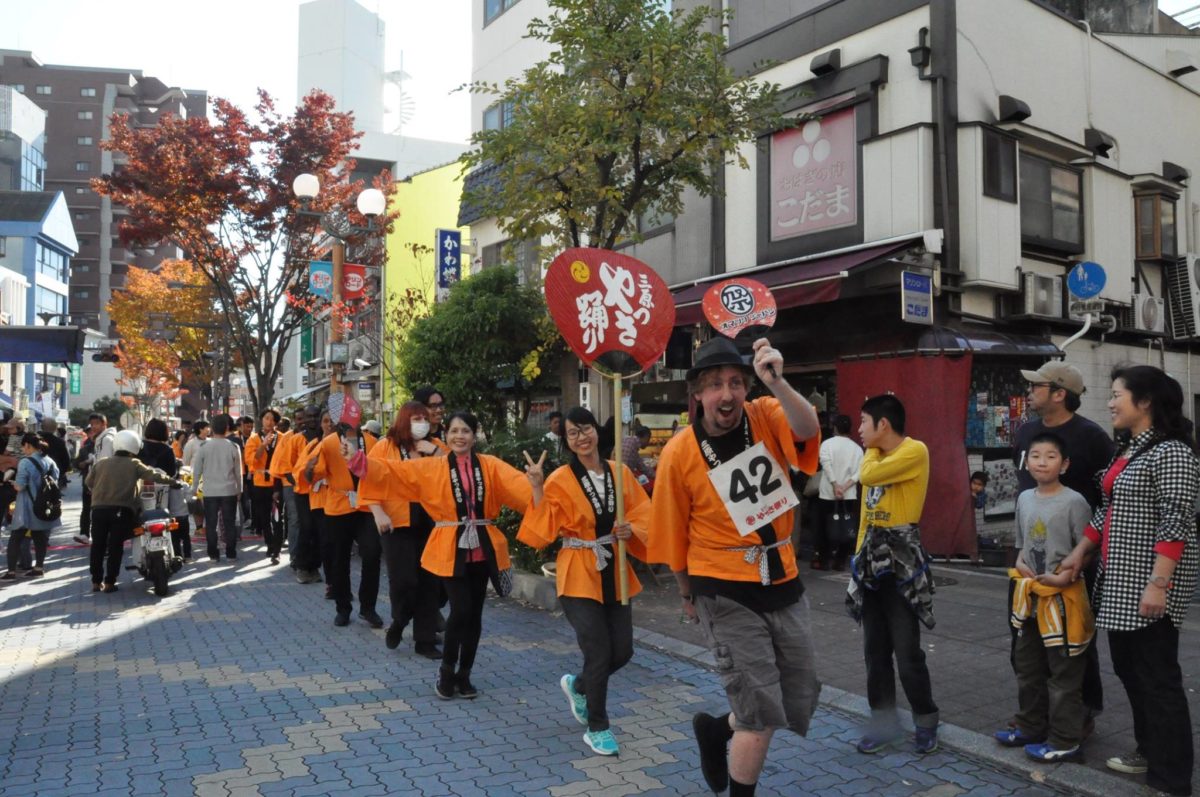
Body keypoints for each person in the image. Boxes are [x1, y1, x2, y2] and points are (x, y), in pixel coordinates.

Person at [648, 337, 821, 797]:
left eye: (734, 383)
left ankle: (715, 731)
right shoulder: (679, 453)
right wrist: (687, 594)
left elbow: (806, 428)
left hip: (781, 573)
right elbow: (672, 535)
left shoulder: (765, 414)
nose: (726, 394)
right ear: (697, 395)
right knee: (760, 711)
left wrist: (777, 381)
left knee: (793, 693)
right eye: (714, 385)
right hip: (722, 586)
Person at [1059, 365, 1198, 797]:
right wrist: (1079, 554)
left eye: (1118, 394)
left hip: (1148, 584)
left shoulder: (1172, 452)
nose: (1111, 401)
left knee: (1158, 679)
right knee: (1130, 671)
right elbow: (1106, 510)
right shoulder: (1131, 450)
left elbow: (1176, 521)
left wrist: (1159, 585)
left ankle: (1171, 779)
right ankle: (1148, 749)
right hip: (1118, 582)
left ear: (1146, 402)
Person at [359, 410, 532, 701]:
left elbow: (521, 490)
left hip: (482, 547)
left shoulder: (491, 466)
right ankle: (447, 670)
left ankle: (465, 675)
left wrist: (537, 485)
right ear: (447, 435)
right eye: (454, 431)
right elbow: (395, 472)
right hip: (450, 547)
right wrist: (358, 461)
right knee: (461, 609)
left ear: (474, 435)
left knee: (474, 615)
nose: (459, 436)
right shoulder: (433, 467)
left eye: (465, 431)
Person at [518, 406, 651, 756]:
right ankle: (598, 726)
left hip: (615, 570)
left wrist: (631, 529)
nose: (581, 437)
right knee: (598, 650)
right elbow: (543, 525)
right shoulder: (561, 478)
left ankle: (578, 686)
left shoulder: (620, 473)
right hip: (578, 569)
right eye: (573, 433)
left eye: (586, 428)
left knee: (622, 651)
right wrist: (536, 486)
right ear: (567, 441)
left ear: (596, 430)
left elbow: (643, 513)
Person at [1012, 362, 1113, 732]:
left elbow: (1108, 500)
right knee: (1027, 641)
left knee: (1073, 644)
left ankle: (1080, 714)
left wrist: (1085, 554)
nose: (1029, 390)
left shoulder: (1092, 437)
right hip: (1029, 559)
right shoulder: (1025, 433)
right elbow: (1025, 493)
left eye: (1036, 385)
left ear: (1059, 393)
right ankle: (1034, 717)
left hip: (1074, 561)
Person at [846, 394, 939, 755]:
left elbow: (867, 474)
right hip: (871, 564)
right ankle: (884, 725)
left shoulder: (914, 451)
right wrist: (856, 561)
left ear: (883, 425)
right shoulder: (878, 455)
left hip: (901, 564)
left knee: (907, 651)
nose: (859, 431)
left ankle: (926, 721)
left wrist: (871, 452)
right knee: (875, 651)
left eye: (863, 423)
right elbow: (867, 517)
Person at [995, 432, 1093, 762]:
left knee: (1064, 675)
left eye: (1051, 456)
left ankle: (1066, 738)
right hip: (1030, 599)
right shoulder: (1024, 498)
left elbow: (1088, 549)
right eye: (1035, 455)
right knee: (1028, 667)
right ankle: (1029, 725)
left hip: (1063, 602)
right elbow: (1022, 547)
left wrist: (1065, 576)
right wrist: (1021, 564)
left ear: (1064, 464)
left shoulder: (1075, 502)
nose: (1041, 461)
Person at [365, 400, 445, 658]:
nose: (422, 423)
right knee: (404, 581)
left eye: (424, 418)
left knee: (430, 583)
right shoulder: (384, 447)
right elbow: (368, 479)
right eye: (416, 419)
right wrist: (377, 511)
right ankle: (399, 621)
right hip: (395, 523)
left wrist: (433, 451)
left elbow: (454, 469)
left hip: (431, 523)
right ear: (403, 421)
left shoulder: (434, 447)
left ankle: (425, 639)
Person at [310, 413, 382, 628]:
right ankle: (343, 607)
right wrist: (310, 468)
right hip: (338, 505)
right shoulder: (329, 442)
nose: (351, 420)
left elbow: (380, 470)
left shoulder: (371, 441)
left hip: (366, 504)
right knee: (339, 558)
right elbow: (313, 473)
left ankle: (368, 607)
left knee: (372, 553)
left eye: (354, 416)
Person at [85, 430, 176, 592]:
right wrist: (173, 481)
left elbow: (88, 482)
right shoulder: (134, 463)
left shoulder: (101, 462)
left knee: (98, 545)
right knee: (115, 546)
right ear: (135, 447)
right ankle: (110, 582)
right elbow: (154, 475)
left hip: (98, 509)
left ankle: (95, 582)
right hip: (122, 510)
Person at [1, 434, 61, 580]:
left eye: (23, 446)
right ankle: (39, 567)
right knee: (40, 537)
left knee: (15, 538)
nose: (22, 449)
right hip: (44, 506)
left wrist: (13, 483)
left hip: (27, 507)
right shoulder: (50, 461)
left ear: (28, 445)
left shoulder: (25, 462)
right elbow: (55, 481)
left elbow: (20, 486)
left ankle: (11, 572)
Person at [814, 414, 863, 571]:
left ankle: (823, 559)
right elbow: (860, 472)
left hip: (828, 493)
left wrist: (835, 485)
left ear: (835, 427)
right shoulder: (857, 449)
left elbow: (825, 464)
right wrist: (845, 486)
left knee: (823, 526)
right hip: (848, 495)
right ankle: (840, 560)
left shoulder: (827, 444)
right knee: (846, 526)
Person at [191, 414, 243, 561]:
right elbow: (238, 472)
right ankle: (231, 553)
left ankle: (213, 554)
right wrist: (240, 490)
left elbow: (197, 471)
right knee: (229, 523)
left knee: (211, 523)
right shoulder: (234, 447)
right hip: (229, 490)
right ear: (227, 428)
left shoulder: (204, 447)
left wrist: (194, 488)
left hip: (210, 491)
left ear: (212, 429)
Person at [137, 419, 182, 559]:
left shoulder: (139, 447)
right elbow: (172, 473)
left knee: (141, 517)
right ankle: (174, 551)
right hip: (163, 489)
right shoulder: (167, 449)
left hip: (142, 488)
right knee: (166, 517)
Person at [244, 409, 285, 564]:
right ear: (261, 420)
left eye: (272, 419)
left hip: (277, 480)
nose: (269, 422)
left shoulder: (282, 438)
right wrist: (263, 444)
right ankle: (270, 544)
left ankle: (277, 549)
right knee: (264, 516)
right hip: (260, 481)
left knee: (278, 517)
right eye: (266, 418)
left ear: (276, 422)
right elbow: (251, 461)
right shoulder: (253, 439)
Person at [39, 418, 70, 488]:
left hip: (37, 475)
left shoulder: (35, 439)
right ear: (55, 428)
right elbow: (66, 461)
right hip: (55, 475)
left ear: (41, 427)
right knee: (53, 496)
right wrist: (61, 473)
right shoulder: (60, 442)